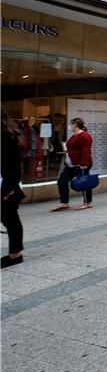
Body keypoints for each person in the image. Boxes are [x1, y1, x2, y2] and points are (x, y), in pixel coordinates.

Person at [1, 106, 25, 268]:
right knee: (9, 219)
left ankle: (15, 254)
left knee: (10, 219)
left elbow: (14, 165)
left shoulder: (5, 136)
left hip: (6, 186)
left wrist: (9, 188)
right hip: (6, 184)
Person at [53, 117, 93, 212]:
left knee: (84, 183)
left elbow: (86, 150)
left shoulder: (84, 136)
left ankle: (87, 202)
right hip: (71, 165)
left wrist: (83, 163)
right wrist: (67, 161)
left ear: (75, 125)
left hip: (81, 164)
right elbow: (71, 149)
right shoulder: (74, 135)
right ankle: (64, 203)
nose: (69, 126)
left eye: (70, 124)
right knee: (62, 181)